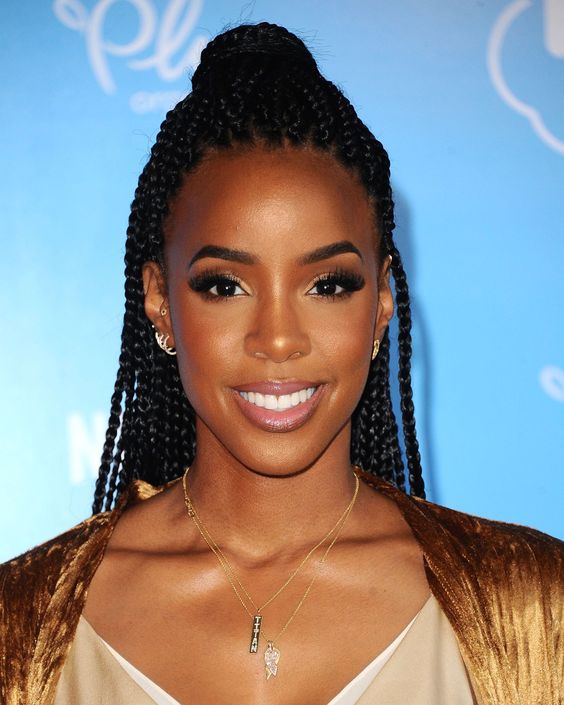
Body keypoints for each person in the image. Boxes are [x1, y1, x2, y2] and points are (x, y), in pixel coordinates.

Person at [0, 21, 561, 705]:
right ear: (160, 302)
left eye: (327, 284)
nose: (278, 339)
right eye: (224, 286)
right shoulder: (19, 628)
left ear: (381, 302)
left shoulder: (535, 609)